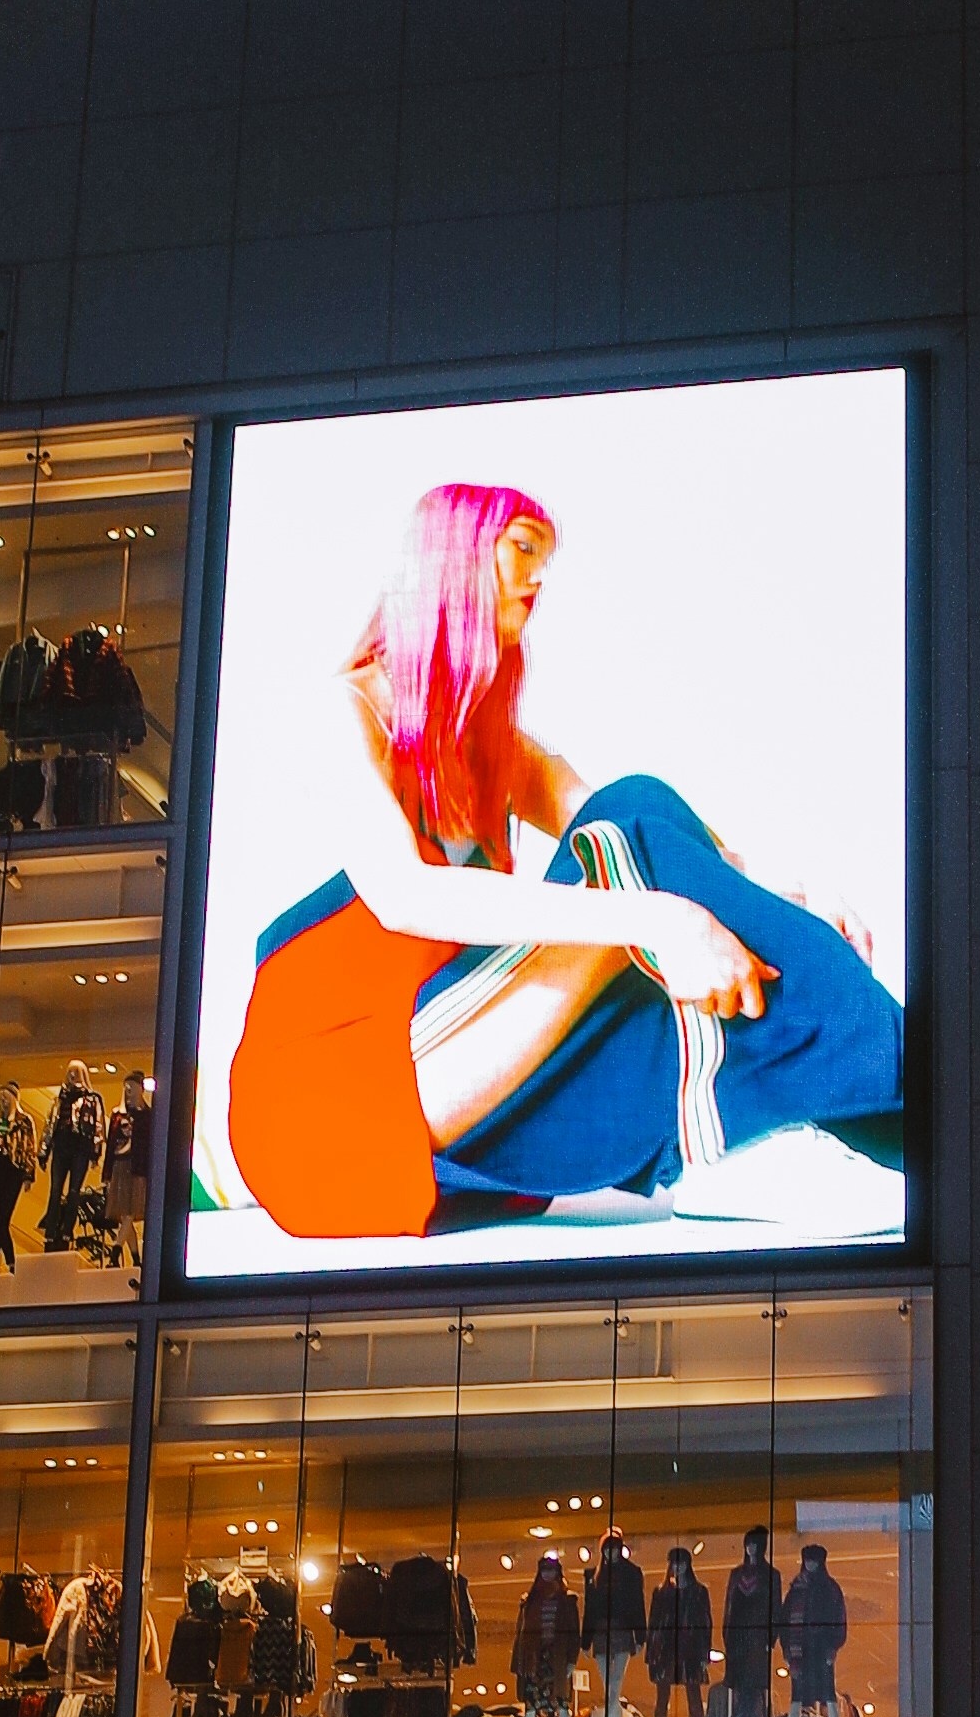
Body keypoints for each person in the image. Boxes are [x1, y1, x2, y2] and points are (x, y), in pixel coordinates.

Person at [221, 482, 904, 1243]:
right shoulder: (344, 712)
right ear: (456, 559)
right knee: (634, 882)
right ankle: (893, 1095)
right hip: (328, 1096)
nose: (538, 579)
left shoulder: (495, 749)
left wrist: (784, 903)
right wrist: (661, 918)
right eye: (521, 550)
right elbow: (403, 894)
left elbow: (637, 823)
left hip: (445, 1066)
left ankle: (784, 1133)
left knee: (634, 819)